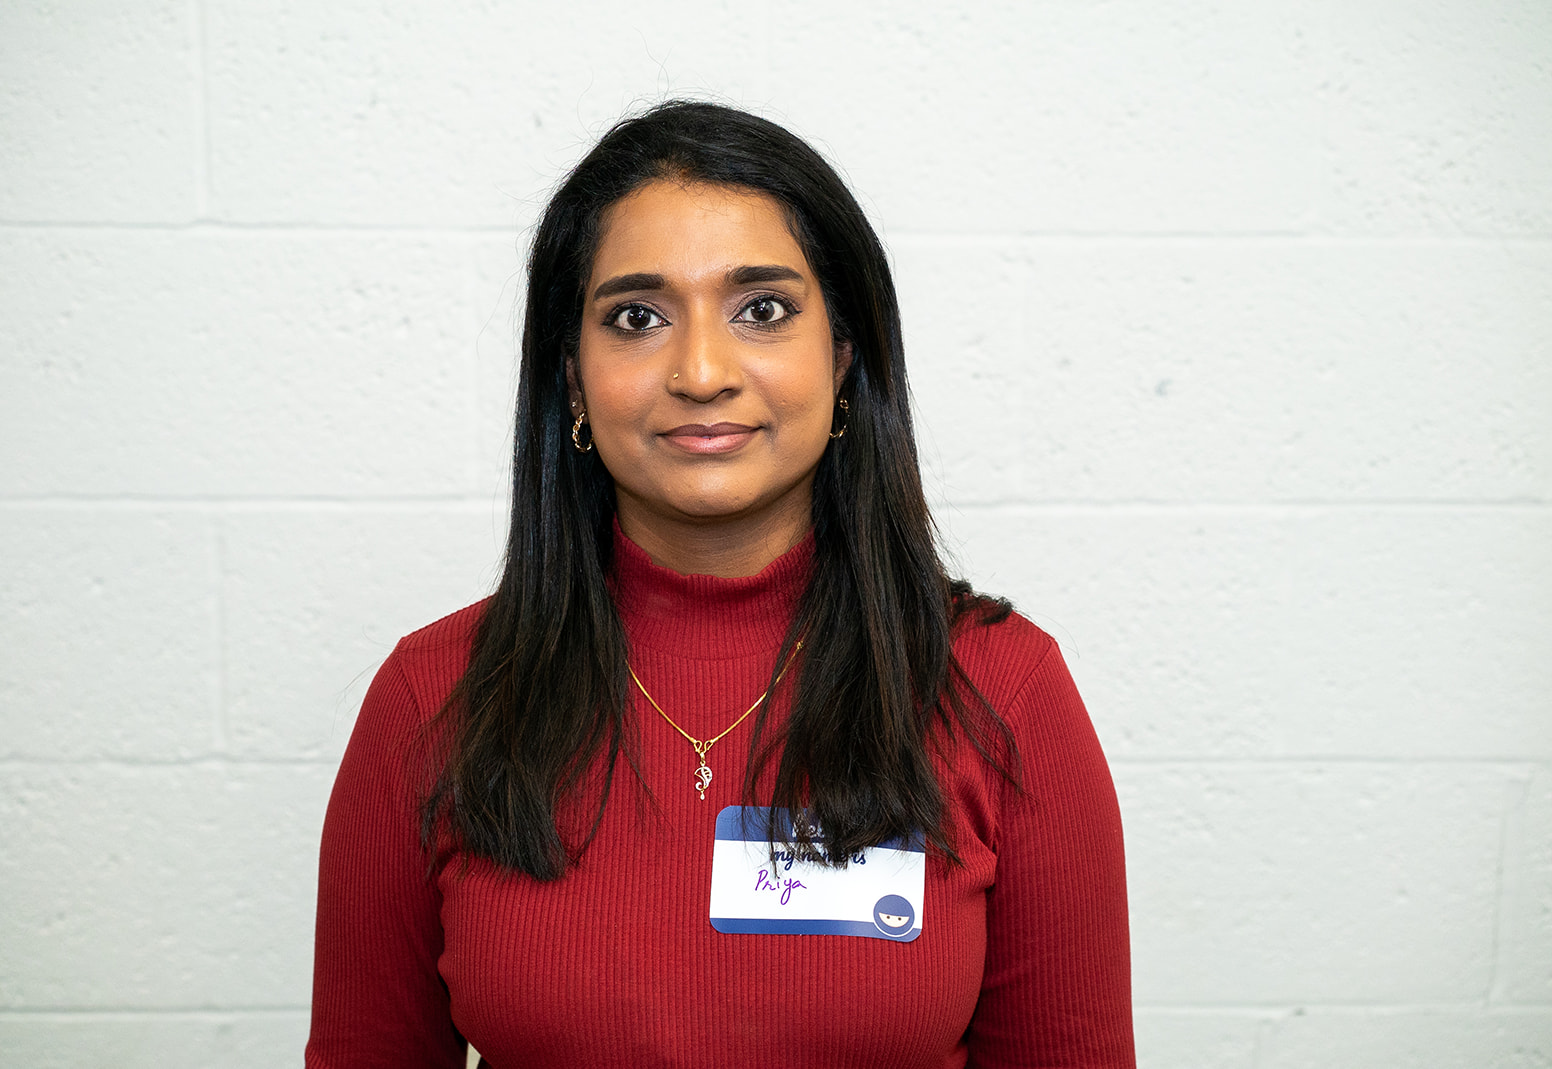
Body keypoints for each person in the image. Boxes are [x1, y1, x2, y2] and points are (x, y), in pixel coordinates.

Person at [307, 100, 1134, 1068]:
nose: (701, 370)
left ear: (842, 357)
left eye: (762, 310)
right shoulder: (430, 697)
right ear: (572, 378)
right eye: (637, 317)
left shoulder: (1005, 692)